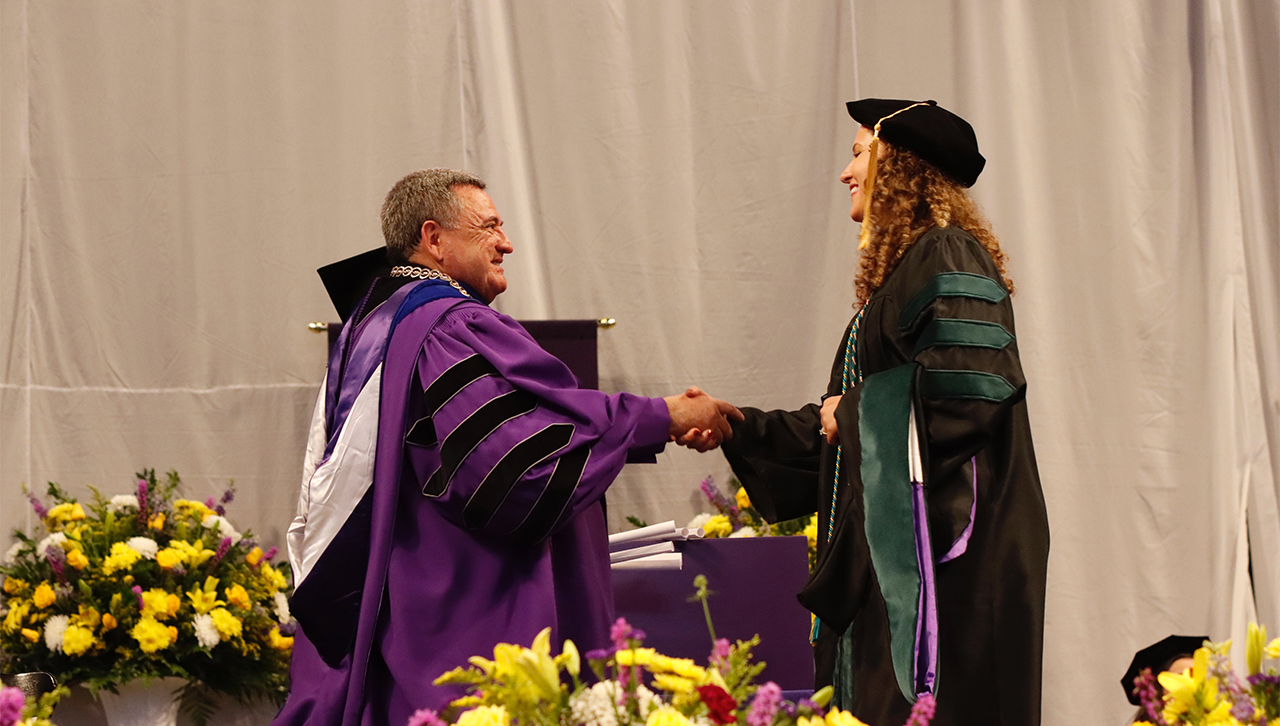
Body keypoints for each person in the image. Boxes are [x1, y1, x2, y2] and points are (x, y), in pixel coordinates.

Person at [275, 168, 741, 726]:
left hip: (409, 605)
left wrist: (650, 425)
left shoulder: (375, 326)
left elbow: (516, 428)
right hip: (469, 623)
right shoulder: (449, 326)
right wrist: (663, 415)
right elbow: (516, 467)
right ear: (434, 240)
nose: (507, 241)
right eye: (489, 226)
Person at [716, 99, 1050, 725]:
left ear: (898, 166)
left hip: (951, 560)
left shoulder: (947, 252)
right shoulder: (900, 280)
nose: (846, 173)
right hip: (901, 555)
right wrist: (737, 426)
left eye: (857, 154)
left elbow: (971, 388)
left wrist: (860, 405)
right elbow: (846, 432)